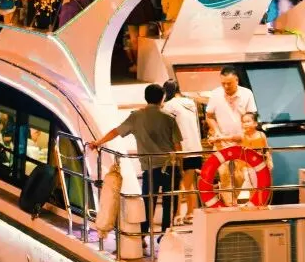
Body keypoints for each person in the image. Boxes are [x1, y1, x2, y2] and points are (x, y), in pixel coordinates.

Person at [86, 83, 181, 241]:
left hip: (150, 167)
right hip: (171, 167)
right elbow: (177, 146)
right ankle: (166, 235)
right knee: (169, 203)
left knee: (148, 202)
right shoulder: (169, 118)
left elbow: (116, 131)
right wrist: (180, 168)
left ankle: (142, 236)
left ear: (145, 98)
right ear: (162, 98)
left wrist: (98, 142)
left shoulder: (136, 116)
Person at [162, 79, 203, 225]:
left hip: (180, 149)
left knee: (177, 184)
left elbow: (168, 129)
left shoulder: (169, 106)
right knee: (189, 183)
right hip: (195, 147)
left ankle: (177, 215)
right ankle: (191, 213)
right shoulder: (191, 103)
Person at [205, 65, 257, 145]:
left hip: (244, 141)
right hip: (222, 143)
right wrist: (216, 131)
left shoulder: (247, 93)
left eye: (229, 83)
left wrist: (245, 133)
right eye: (223, 83)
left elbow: (252, 117)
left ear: (237, 80)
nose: (226, 86)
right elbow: (209, 116)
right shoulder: (215, 94)